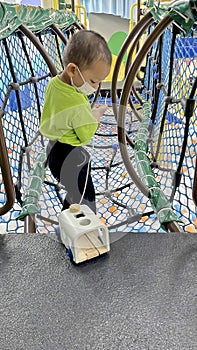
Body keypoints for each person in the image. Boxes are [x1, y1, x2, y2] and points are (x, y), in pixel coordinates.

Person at [40, 30, 112, 213]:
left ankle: (68, 218)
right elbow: (85, 134)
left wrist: (87, 112)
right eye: (94, 81)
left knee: (74, 192)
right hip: (70, 156)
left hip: (52, 150)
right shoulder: (78, 101)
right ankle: (80, 224)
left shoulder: (54, 84)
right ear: (73, 69)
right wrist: (97, 114)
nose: (96, 87)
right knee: (85, 196)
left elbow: (65, 115)